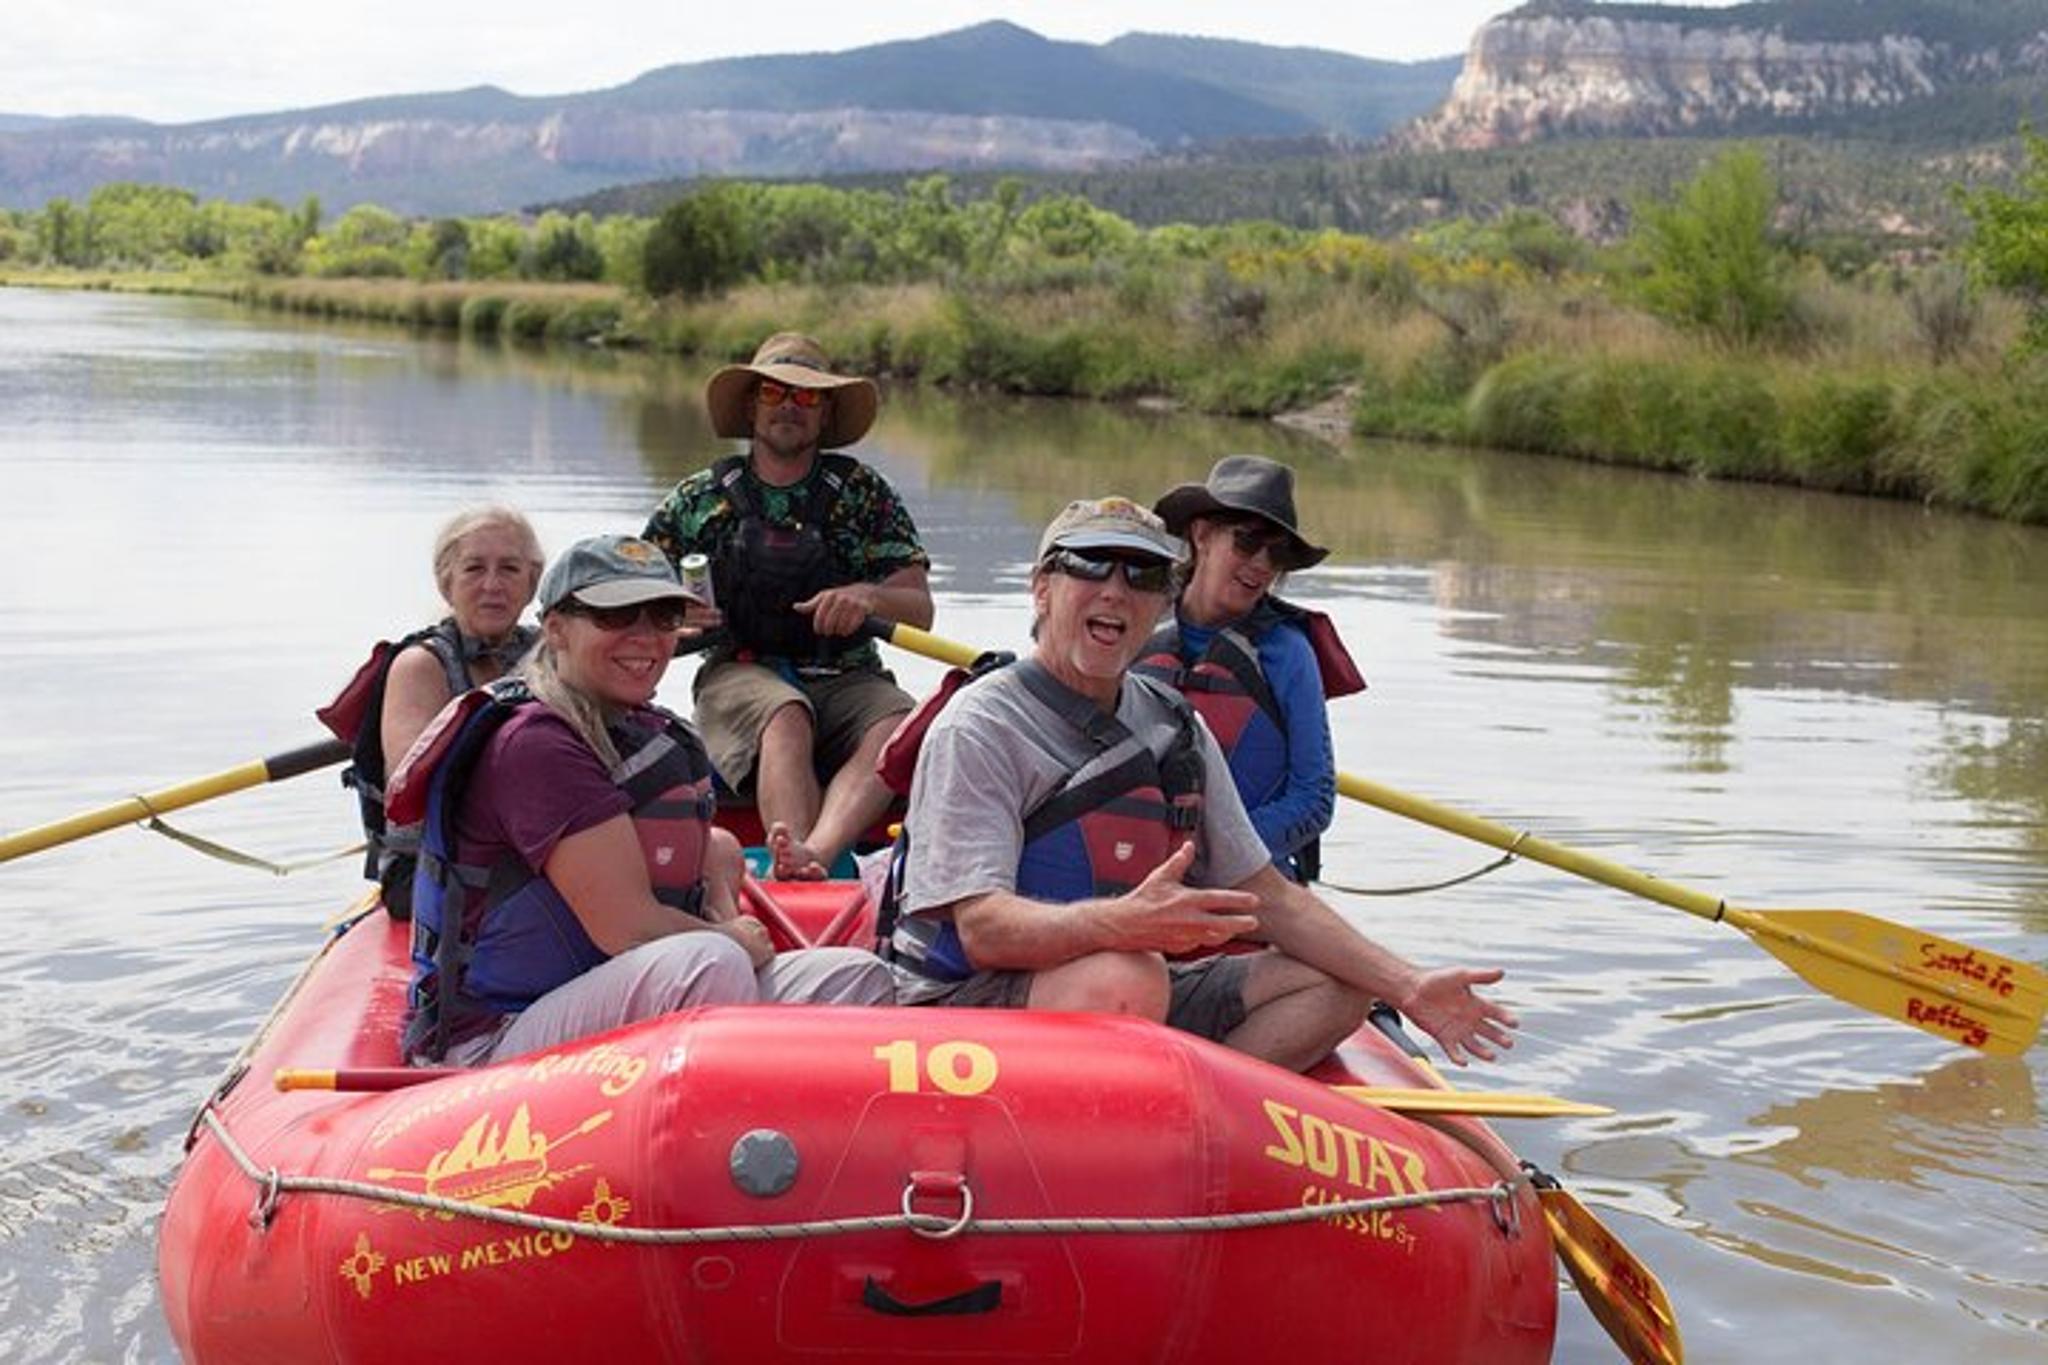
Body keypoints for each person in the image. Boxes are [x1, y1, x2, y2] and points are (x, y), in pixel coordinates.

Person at [883, 498, 1514, 1074]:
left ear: (1162, 602)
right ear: (1043, 589)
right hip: (974, 1002)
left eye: (1144, 576)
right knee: (1125, 976)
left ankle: (1200, 1109)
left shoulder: (1174, 723)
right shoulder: (982, 725)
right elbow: (983, 930)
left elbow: (1269, 894)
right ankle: (1147, 1118)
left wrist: (1405, 984)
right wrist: (1125, 924)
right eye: (1093, 566)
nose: (1117, 591)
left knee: (1339, 981)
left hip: (1129, 975)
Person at [390, 534, 893, 1067]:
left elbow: (697, 859)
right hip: (498, 1033)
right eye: (615, 617)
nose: (645, 638)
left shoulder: (641, 728)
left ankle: (784, 1122)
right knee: (708, 961)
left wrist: (722, 913)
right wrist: (732, 935)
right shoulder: (535, 743)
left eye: (662, 618)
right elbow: (625, 927)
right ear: (555, 628)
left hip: (599, 996)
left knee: (857, 978)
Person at [644, 331, 933, 881]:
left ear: (825, 415)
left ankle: (817, 856)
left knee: (902, 723)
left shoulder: (866, 494)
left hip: (849, 675)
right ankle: (792, 867)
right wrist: (677, 619)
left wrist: (867, 596)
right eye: (775, 393)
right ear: (752, 406)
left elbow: (919, 609)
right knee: (786, 715)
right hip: (739, 673)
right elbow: (635, 613)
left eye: (807, 398)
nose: (789, 407)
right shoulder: (695, 499)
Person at [1138, 456, 1364, 882]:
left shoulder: (1289, 652)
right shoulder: (1136, 619)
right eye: (1247, 542)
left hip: (1246, 883)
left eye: (1277, 552)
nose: (1261, 564)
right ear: (1202, 535)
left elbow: (1313, 799)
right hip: (1131, 867)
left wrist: (1213, 854)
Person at [317, 505, 544, 918]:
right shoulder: (421, 666)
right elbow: (412, 791)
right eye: (474, 569)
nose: (492, 584)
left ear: (532, 584)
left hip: (534, 850)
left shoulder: (550, 655)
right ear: (447, 584)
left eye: (509, 569)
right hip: (429, 870)